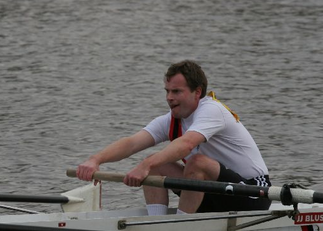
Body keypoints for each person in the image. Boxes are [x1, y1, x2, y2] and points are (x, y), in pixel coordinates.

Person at [76, 60, 271, 215]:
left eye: (176, 91)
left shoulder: (212, 110)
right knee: (156, 165)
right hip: (214, 193)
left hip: (252, 193)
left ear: (197, 92)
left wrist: (145, 166)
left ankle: (179, 225)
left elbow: (187, 144)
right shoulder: (171, 120)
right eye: (167, 91)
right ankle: (157, 225)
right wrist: (95, 160)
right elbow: (132, 143)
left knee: (195, 162)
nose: (169, 97)